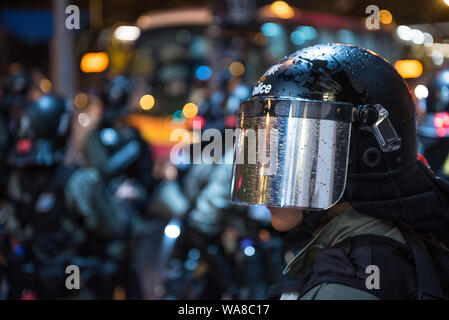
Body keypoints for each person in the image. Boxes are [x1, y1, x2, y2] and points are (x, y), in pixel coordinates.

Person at [230, 43, 449, 300]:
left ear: (366, 156)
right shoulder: (393, 242)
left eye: (293, 156)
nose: (270, 175)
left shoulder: (345, 286)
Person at [0, 94, 149, 299]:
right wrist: (122, 201)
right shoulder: (77, 180)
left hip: (35, 281)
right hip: (73, 281)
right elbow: (111, 227)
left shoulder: (17, 180)